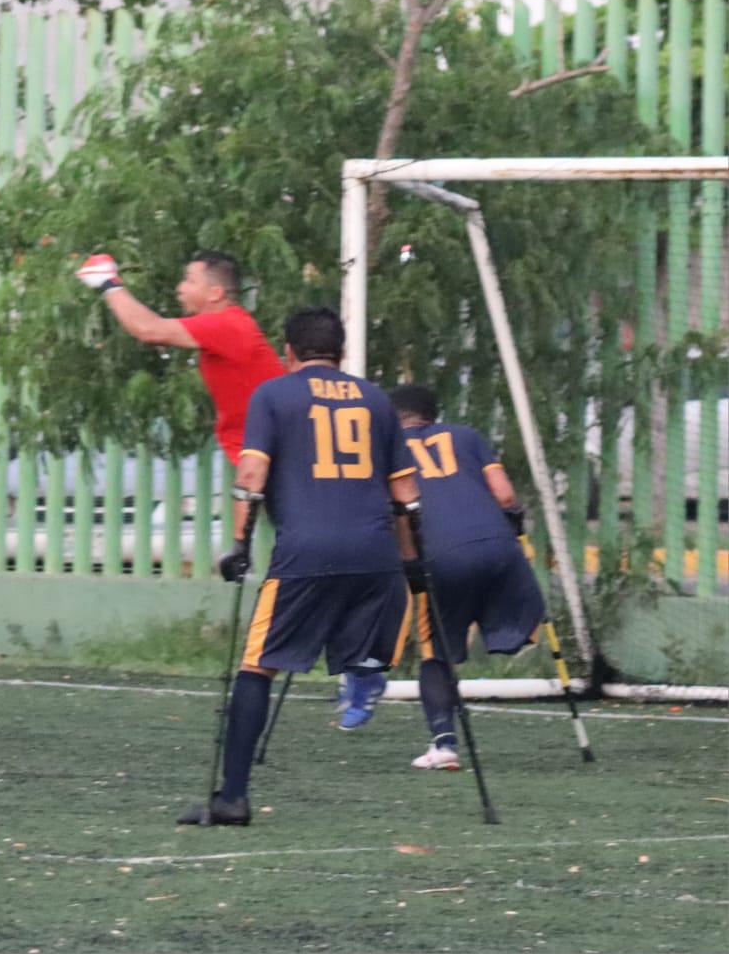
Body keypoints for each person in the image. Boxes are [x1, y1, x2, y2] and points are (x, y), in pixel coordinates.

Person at [177, 307, 418, 826]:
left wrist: (239, 543)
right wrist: (411, 559)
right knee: (366, 628)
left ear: (288, 352)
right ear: (343, 352)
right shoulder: (376, 399)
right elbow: (405, 492)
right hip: (375, 555)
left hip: (306, 553)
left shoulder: (273, 395)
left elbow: (252, 472)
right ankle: (365, 668)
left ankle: (233, 797)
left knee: (256, 666)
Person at [387, 384, 545, 770]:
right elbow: (505, 496)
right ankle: (513, 635)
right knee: (504, 603)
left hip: (442, 555)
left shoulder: (388, 449)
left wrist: (410, 564)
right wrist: (512, 523)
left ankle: (443, 743)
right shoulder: (466, 435)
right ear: (432, 415)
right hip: (499, 547)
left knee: (435, 653)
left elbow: (399, 510)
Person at [74, 250, 284, 533]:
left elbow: (148, 329)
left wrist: (108, 281)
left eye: (189, 280)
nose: (180, 288)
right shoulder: (229, 327)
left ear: (215, 293)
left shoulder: (226, 324)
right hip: (275, 459)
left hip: (283, 459)